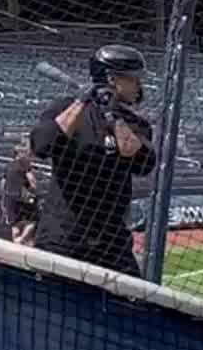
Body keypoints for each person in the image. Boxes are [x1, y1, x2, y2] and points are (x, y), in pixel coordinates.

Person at [28, 44, 155, 276]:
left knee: (135, 301)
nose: (139, 86)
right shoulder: (65, 108)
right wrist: (82, 101)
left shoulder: (135, 123)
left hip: (111, 240)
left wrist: (112, 115)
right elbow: (41, 145)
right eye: (134, 79)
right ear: (112, 79)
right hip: (63, 236)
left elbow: (142, 162)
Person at [0, 146, 39, 246]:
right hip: (23, 197)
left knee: (15, 226)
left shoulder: (8, 165)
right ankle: (21, 241)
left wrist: (4, 197)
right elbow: (32, 180)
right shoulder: (24, 163)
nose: (26, 153)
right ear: (18, 154)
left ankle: (16, 245)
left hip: (9, 197)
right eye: (23, 151)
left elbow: (3, 183)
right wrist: (33, 191)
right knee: (33, 221)